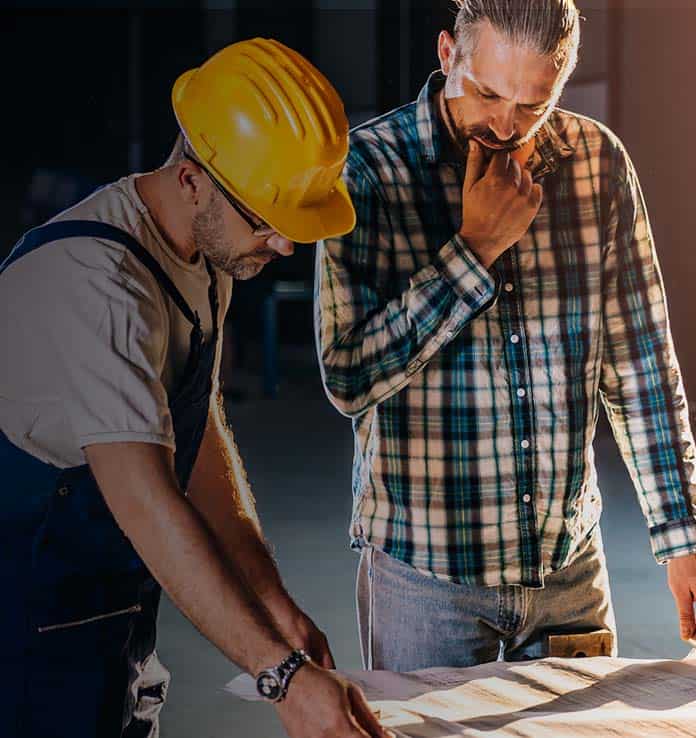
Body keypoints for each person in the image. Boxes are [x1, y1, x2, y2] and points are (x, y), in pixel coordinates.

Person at [0, 38, 387, 738]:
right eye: (267, 221)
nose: (283, 245)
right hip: (20, 640)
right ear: (191, 179)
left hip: (107, 625)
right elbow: (147, 505)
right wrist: (284, 679)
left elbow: (197, 433)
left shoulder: (205, 257)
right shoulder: (98, 288)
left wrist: (271, 603)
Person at [315, 0, 696, 672]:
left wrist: (682, 537)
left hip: (568, 578)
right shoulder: (366, 172)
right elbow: (349, 378)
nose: (503, 124)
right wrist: (475, 249)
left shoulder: (596, 164)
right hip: (423, 581)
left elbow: (642, 367)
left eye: (532, 104)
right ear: (447, 56)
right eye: (487, 93)